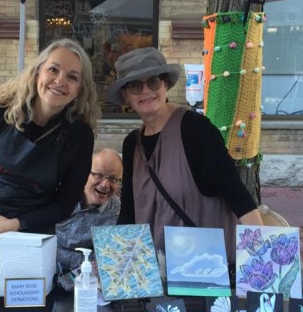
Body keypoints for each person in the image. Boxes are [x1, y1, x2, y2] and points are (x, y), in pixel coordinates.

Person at [0, 39, 101, 276]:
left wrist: (12, 225)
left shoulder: (79, 136)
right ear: (37, 71)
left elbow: (64, 204)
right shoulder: (0, 109)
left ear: (79, 90)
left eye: (72, 77)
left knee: (25, 309)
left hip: (30, 237)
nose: (60, 81)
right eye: (53, 69)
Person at [108, 47, 263, 267]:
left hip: (206, 270)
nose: (145, 91)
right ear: (125, 95)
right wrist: (118, 268)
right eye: (134, 85)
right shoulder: (132, 144)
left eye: (153, 81)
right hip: (156, 274)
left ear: (165, 84)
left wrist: (262, 257)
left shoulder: (195, 130)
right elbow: (128, 213)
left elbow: (236, 193)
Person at [55, 148, 123, 288]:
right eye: (98, 175)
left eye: (113, 179)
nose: (105, 184)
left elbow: (109, 261)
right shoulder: (59, 196)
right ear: (85, 173)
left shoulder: (118, 211)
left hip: (87, 284)